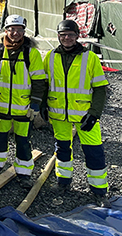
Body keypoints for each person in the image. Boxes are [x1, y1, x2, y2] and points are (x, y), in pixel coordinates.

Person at [43, 20, 109, 204]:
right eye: (63, 35)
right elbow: (44, 84)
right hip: (58, 115)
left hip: (84, 115)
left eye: (70, 35)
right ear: (58, 36)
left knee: (94, 151)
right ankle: (63, 183)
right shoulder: (50, 56)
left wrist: (95, 113)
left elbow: (100, 88)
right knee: (62, 150)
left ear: (77, 36)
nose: (67, 38)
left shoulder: (90, 58)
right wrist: (42, 106)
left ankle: (99, 192)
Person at [0, 15, 48, 188]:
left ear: (24, 31)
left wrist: (35, 105)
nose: (15, 33)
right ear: (5, 30)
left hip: (23, 108)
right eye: (11, 29)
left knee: (23, 142)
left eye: (19, 29)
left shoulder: (32, 54)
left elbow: (38, 81)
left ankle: (24, 173)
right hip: (0, 106)